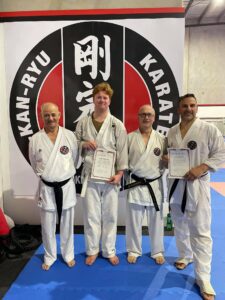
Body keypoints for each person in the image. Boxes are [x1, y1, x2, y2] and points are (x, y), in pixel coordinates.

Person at [166, 94, 225, 300]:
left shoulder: (209, 129)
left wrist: (202, 167)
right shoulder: (172, 131)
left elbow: (221, 153)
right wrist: (167, 160)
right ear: (178, 109)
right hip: (176, 184)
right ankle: (185, 255)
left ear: (197, 108)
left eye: (192, 105)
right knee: (179, 224)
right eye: (184, 106)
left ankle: (204, 277)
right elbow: (169, 154)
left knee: (201, 231)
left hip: (198, 185)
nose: (188, 109)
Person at [75, 82, 128, 266]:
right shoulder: (83, 122)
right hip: (90, 175)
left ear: (109, 100)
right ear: (93, 99)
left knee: (110, 215)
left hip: (110, 176)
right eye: (99, 97)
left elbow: (122, 151)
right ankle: (92, 250)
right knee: (91, 215)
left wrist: (120, 174)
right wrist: (83, 144)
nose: (102, 100)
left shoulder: (116, 124)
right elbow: (74, 143)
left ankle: (109, 250)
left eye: (105, 97)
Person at [29, 102, 78, 270]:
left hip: (66, 186)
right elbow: (34, 163)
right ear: (42, 117)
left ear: (59, 115)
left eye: (53, 114)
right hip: (47, 188)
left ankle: (68, 255)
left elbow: (76, 160)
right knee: (47, 225)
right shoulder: (35, 139)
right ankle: (50, 256)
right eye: (46, 115)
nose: (50, 118)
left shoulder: (70, 136)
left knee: (67, 223)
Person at [125, 105, 166, 265]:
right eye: (143, 114)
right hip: (135, 183)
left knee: (156, 220)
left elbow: (167, 163)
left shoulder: (161, 139)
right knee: (133, 220)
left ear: (154, 117)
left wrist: (170, 162)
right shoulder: (129, 138)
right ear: (138, 117)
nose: (146, 117)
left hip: (154, 184)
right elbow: (123, 162)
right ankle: (134, 250)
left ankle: (157, 251)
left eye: (149, 115)